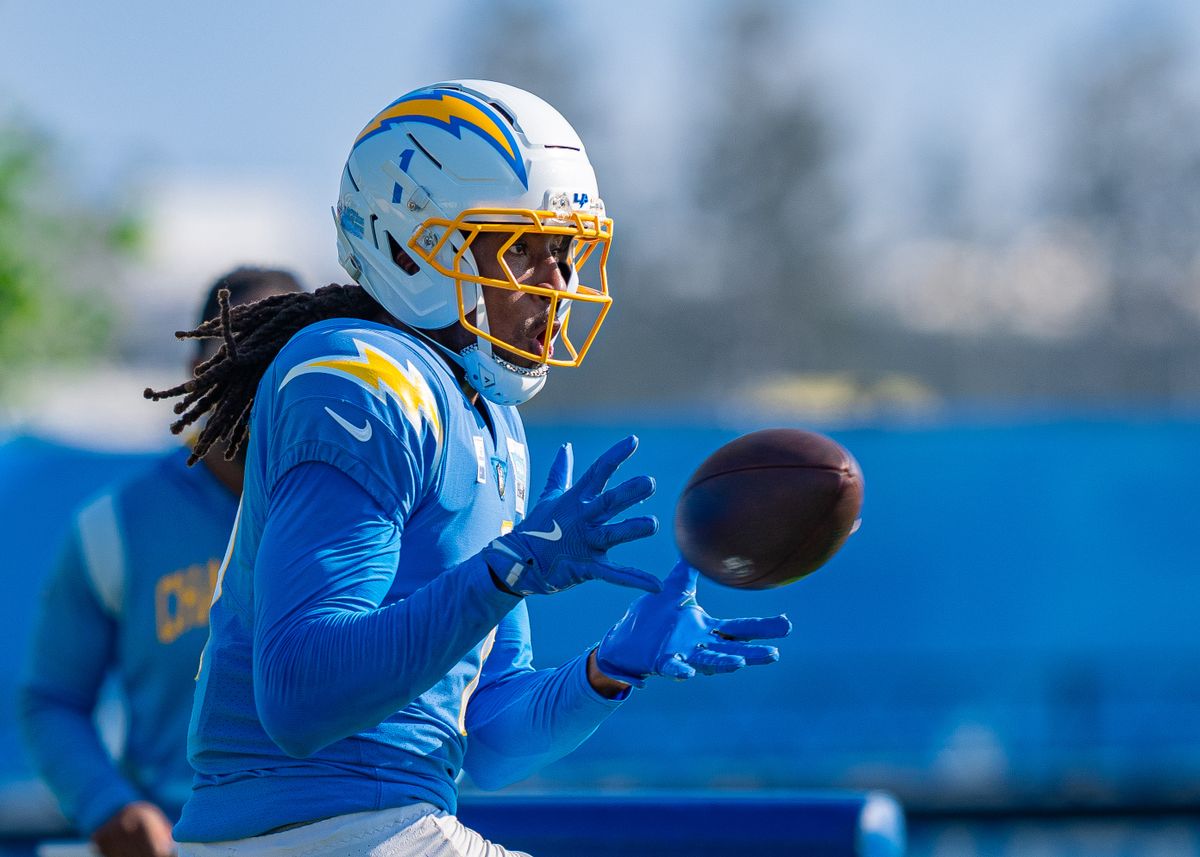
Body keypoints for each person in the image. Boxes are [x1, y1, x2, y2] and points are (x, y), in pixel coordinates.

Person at [145, 80, 791, 856]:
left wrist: (606, 671)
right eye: (522, 248)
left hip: (380, 824)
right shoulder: (360, 378)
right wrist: (501, 572)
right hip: (312, 832)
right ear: (410, 247)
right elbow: (298, 696)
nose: (557, 283)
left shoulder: (487, 417)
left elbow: (485, 737)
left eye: (564, 251)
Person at [19, 268, 304, 857]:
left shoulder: (365, 506)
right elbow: (52, 700)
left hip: (333, 835)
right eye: (241, 355)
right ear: (196, 372)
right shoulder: (116, 525)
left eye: (282, 358)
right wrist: (108, 806)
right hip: (178, 840)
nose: (260, 380)